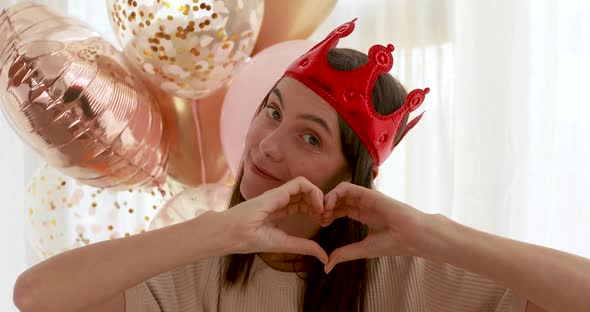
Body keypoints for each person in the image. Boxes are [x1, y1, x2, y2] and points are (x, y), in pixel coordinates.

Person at [12, 19, 590, 312]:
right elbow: (35, 294)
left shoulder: (416, 278)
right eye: (271, 111)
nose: (265, 145)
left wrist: (434, 235)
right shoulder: (197, 272)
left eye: (309, 138)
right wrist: (217, 230)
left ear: (351, 175)